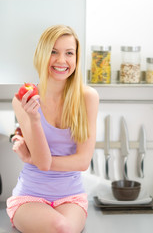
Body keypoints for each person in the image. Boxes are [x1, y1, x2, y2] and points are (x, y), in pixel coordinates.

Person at [6, 25, 99, 233]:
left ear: (76, 58)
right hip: (30, 196)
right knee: (59, 227)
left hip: (72, 198)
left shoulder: (87, 98)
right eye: (53, 52)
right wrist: (35, 119)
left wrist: (33, 159)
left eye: (69, 53)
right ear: (41, 55)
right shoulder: (22, 99)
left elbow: (82, 161)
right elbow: (43, 161)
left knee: (63, 229)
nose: (61, 60)